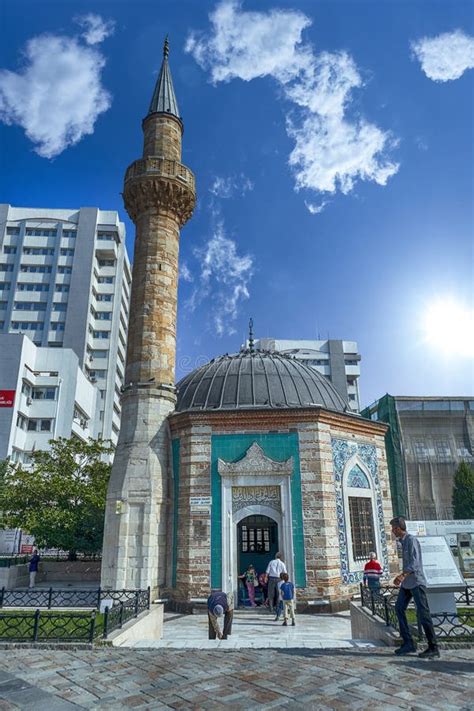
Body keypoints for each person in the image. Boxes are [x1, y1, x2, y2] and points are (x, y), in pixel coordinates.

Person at [390, 516, 440, 659]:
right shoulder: (402, 542)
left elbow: (415, 563)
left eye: (393, 528)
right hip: (407, 584)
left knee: (423, 613)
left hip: (416, 582)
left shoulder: (411, 540)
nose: (392, 531)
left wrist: (402, 575)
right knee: (399, 608)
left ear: (398, 528)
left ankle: (433, 646)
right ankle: (408, 643)